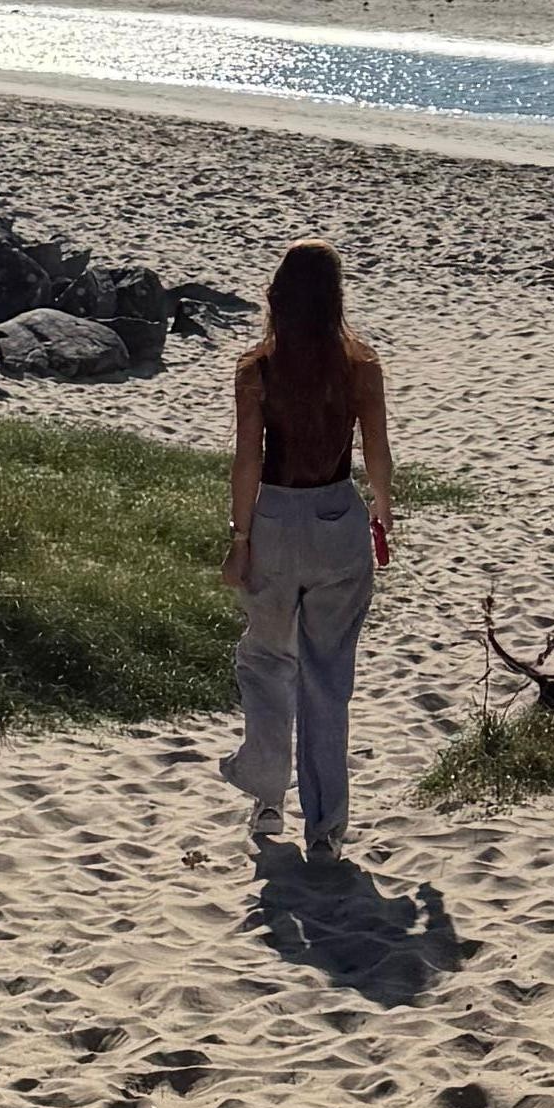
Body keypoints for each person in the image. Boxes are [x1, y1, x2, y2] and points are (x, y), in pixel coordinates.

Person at [224, 237, 394, 853]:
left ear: (278, 297)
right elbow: (376, 451)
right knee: (328, 678)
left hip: (275, 519)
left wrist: (240, 538)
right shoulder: (360, 365)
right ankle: (325, 827)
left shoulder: (257, 368)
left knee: (268, 662)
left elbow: (248, 460)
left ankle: (268, 799)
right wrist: (382, 510)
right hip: (337, 519)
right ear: (335, 299)